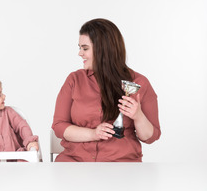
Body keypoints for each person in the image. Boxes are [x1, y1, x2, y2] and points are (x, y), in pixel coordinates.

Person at [52, 18, 161, 162]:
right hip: (75, 162)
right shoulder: (74, 80)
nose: (80, 53)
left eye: (85, 48)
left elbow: (150, 137)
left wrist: (138, 115)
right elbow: (59, 126)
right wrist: (93, 134)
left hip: (120, 165)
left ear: (103, 49)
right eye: (80, 48)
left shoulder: (139, 83)